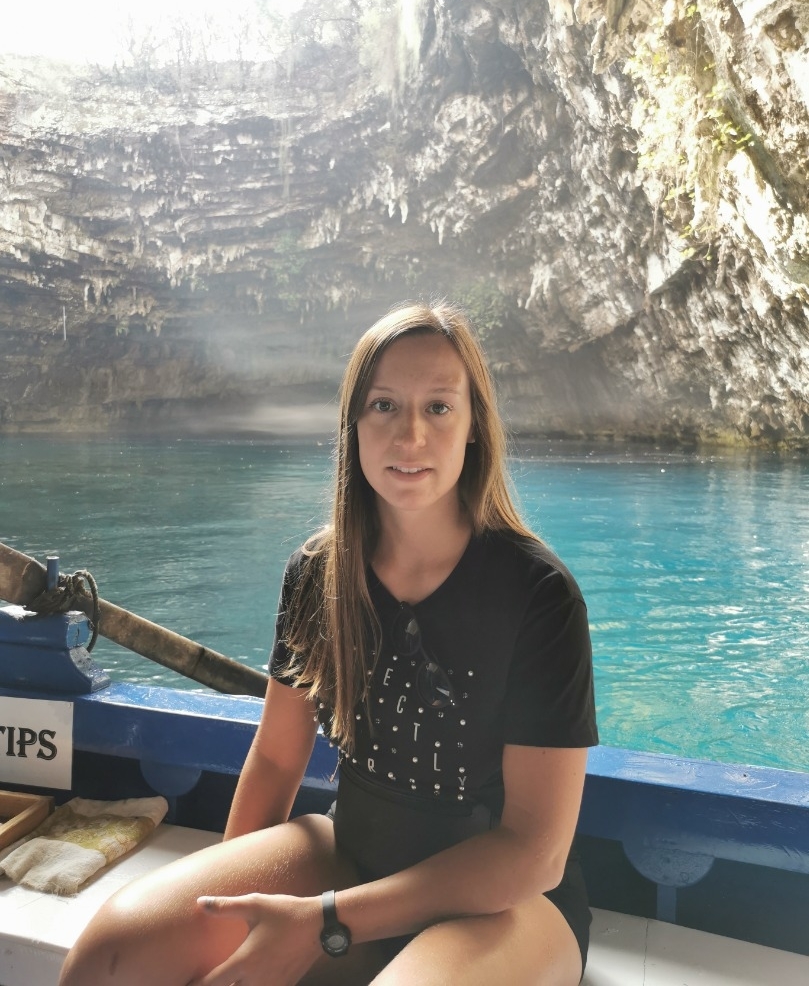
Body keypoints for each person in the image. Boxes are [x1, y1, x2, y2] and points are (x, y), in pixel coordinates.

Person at [59, 300, 598, 986]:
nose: (410, 435)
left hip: (504, 901)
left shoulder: (539, 595)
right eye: (383, 406)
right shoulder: (319, 573)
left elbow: (533, 853)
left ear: (473, 429)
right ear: (354, 425)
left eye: (438, 407)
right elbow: (276, 759)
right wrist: (241, 923)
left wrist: (327, 919)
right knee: (107, 958)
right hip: (353, 852)